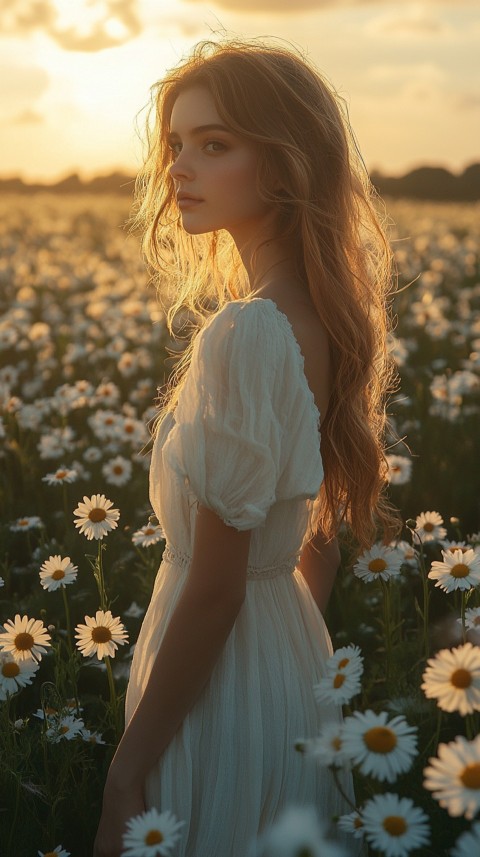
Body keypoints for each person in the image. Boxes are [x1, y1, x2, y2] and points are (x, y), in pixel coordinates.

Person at [93, 38, 397, 857]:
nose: (181, 168)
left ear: (287, 164)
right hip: (286, 661)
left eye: (215, 144)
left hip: (217, 678)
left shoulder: (248, 329)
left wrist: (126, 772)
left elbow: (218, 585)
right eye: (176, 144)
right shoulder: (319, 317)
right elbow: (321, 537)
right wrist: (282, 662)